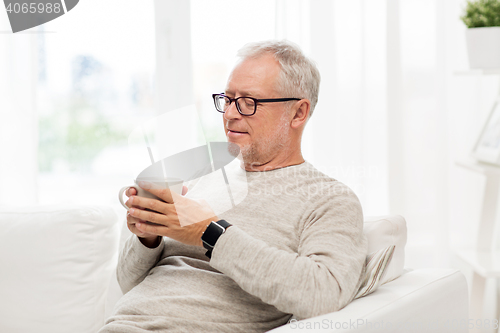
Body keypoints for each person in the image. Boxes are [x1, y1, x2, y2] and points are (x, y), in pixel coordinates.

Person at [100, 40, 367, 333]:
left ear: (298, 113)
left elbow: (322, 293)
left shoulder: (329, 199)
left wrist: (208, 231)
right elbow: (127, 282)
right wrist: (148, 238)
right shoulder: (201, 179)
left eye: (249, 102)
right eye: (228, 99)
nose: (229, 114)